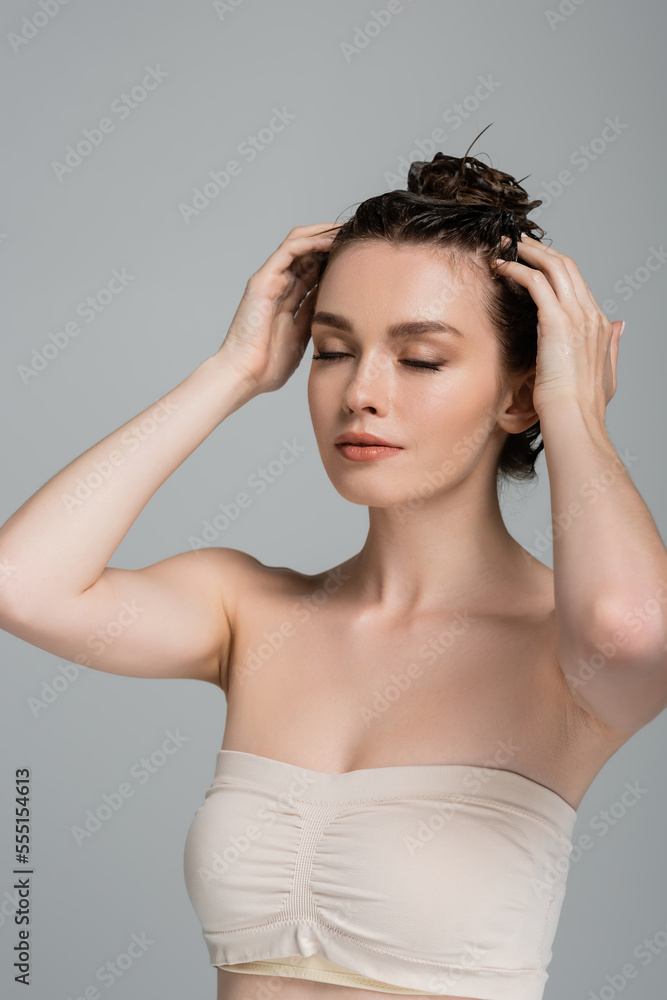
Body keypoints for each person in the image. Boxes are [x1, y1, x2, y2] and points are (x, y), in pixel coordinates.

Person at [1, 127, 666, 1000]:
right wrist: (233, 370)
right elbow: (24, 584)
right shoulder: (249, 612)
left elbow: (631, 632)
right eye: (334, 349)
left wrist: (575, 411)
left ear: (516, 391)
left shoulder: (564, 653)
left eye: (421, 357)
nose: (361, 391)